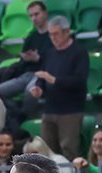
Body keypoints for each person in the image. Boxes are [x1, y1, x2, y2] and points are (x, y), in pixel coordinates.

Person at [27, 16, 88, 161]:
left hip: (70, 110)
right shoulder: (49, 53)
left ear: (66, 32)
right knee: (46, 150)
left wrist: (54, 80)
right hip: (49, 108)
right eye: (50, 34)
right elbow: (43, 76)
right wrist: (39, 88)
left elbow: (80, 81)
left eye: (56, 34)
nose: (53, 38)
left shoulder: (79, 52)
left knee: (68, 149)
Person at [0, 1, 50, 104]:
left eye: (36, 14)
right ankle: (15, 111)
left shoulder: (54, 35)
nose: (34, 18)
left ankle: (27, 113)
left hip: (44, 74)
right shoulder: (31, 38)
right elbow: (23, 63)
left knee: (31, 91)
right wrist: (25, 59)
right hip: (27, 74)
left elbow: (58, 60)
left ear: (45, 14)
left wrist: (38, 58)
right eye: (31, 16)